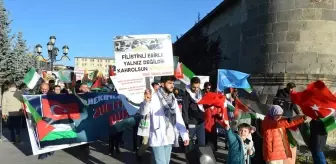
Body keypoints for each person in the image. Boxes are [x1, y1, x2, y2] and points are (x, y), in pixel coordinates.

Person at [139, 76, 189, 164]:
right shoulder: (153, 97)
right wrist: (146, 102)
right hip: (158, 136)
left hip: (170, 136)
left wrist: (184, 134)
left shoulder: (172, 98)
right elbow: (143, 113)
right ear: (162, 84)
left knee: (164, 161)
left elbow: (178, 116)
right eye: (169, 83)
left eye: (173, 83)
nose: (172, 85)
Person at [274, 82, 302, 164]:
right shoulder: (281, 92)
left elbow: (294, 105)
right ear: (287, 87)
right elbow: (276, 103)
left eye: (293, 88)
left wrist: (298, 113)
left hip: (289, 117)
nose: (291, 89)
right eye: (290, 88)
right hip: (281, 117)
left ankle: (287, 149)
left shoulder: (292, 94)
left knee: (287, 134)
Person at [182, 77, 206, 147]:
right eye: (193, 87)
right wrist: (185, 124)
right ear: (190, 85)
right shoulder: (187, 93)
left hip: (201, 121)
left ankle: (200, 157)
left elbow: (205, 105)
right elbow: (185, 110)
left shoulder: (201, 92)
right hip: (191, 122)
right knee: (189, 142)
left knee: (202, 143)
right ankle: (189, 157)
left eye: (197, 87)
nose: (196, 89)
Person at [37, 83, 55, 160]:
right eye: (43, 89)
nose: (44, 90)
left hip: (50, 118)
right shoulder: (36, 95)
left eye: (46, 89)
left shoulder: (53, 96)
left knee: (50, 135)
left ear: (48, 89)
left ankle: (51, 149)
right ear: (40, 89)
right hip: (40, 118)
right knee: (42, 136)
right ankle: (43, 153)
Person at [77, 83, 91, 154]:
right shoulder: (77, 95)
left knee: (88, 132)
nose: (85, 89)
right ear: (80, 88)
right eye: (84, 87)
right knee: (81, 131)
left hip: (88, 117)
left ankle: (87, 146)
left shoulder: (90, 95)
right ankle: (82, 144)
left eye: (86, 87)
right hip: (80, 116)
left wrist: (90, 93)